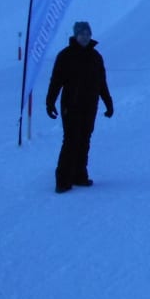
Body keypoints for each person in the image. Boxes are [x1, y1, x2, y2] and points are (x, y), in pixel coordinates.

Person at [45, 21, 114, 193]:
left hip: (90, 106)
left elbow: (101, 83)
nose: (84, 36)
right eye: (81, 34)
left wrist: (108, 102)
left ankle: (79, 175)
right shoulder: (65, 56)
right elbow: (56, 81)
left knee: (84, 140)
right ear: (75, 36)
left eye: (87, 33)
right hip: (71, 105)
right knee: (70, 141)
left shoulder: (96, 57)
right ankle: (62, 180)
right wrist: (50, 102)